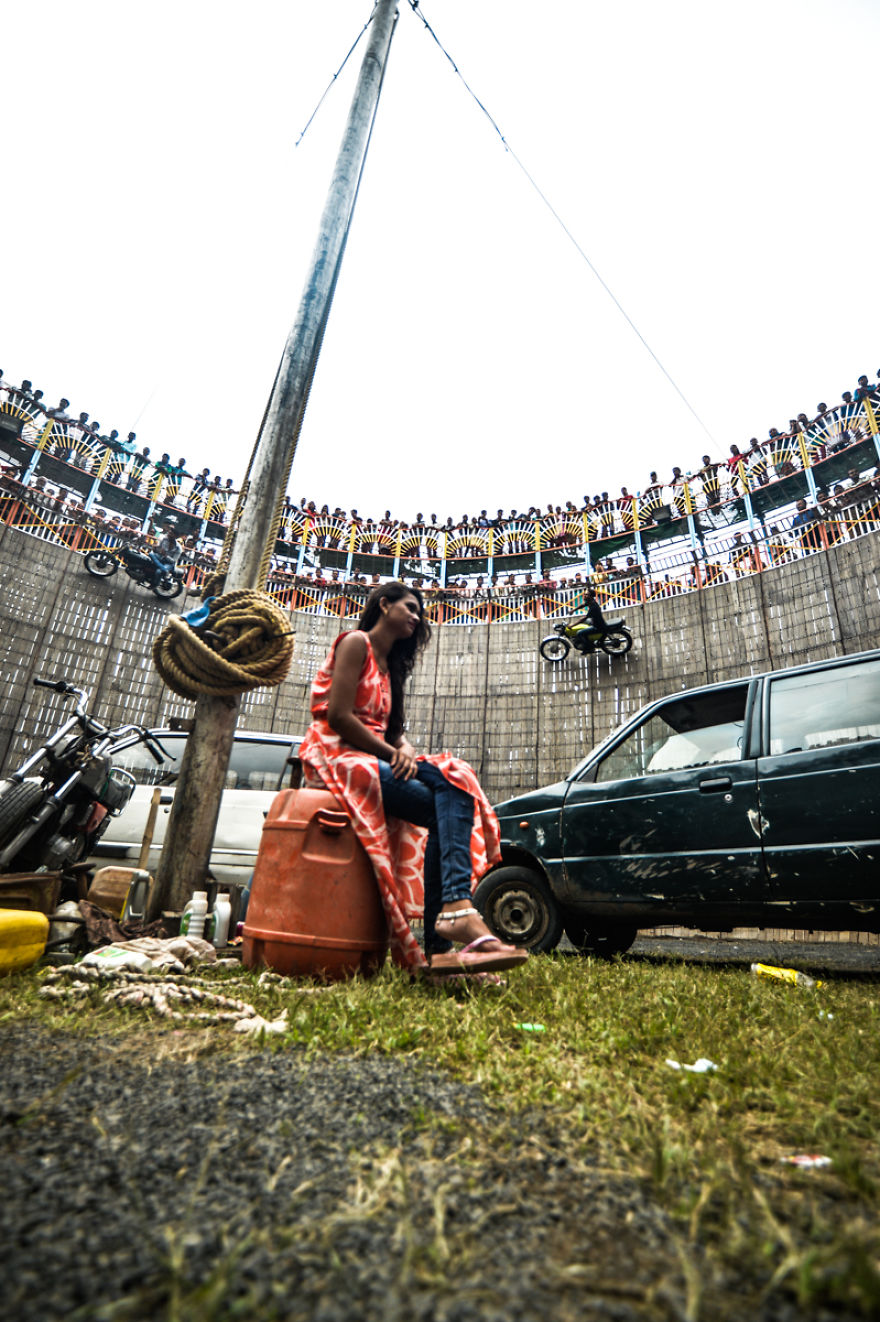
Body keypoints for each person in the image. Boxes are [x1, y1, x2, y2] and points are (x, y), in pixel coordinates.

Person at [297, 581, 527, 978]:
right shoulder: (356, 643)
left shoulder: (393, 668)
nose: (416, 617)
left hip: (376, 756)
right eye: (410, 607)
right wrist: (393, 754)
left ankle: (444, 941)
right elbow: (338, 716)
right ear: (384, 605)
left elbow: (393, 730)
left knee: (455, 783)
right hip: (337, 754)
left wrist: (403, 749)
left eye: (419, 612)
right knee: (448, 789)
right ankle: (453, 916)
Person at [568, 586, 607, 652]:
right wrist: (573, 610)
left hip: (598, 626)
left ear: (591, 596)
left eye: (586, 595)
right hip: (594, 621)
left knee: (580, 633)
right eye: (584, 594)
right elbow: (582, 605)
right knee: (584, 623)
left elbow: (584, 618)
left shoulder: (593, 607)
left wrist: (572, 625)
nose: (584, 596)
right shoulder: (590, 602)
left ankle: (589, 647)